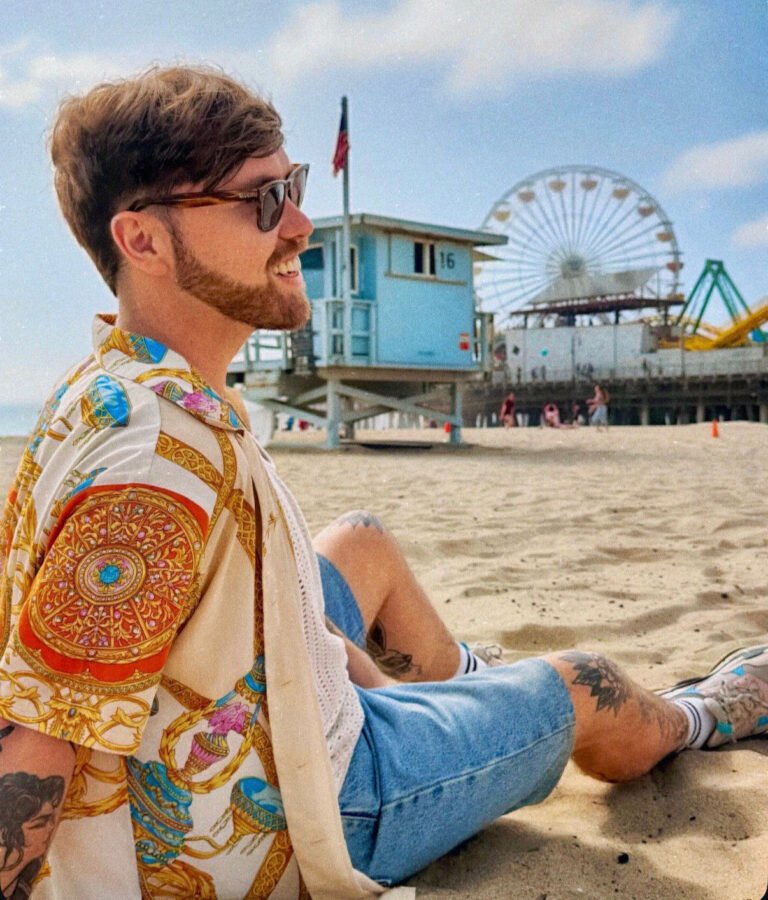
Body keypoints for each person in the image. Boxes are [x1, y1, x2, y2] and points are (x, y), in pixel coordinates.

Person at [1, 66, 766, 899]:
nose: (299, 225)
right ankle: (704, 712)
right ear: (142, 240)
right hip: (317, 801)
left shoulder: (125, 380)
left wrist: (366, 678)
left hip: (265, 701)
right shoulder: (152, 470)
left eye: (290, 187)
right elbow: (41, 744)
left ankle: (467, 691)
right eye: (261, 203)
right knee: (586, 681)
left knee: (357, 543)